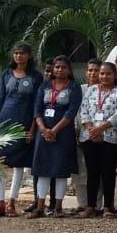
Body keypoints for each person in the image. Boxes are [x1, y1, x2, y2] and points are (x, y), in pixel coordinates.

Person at [0, 43, 43, 218]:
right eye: (16, 53)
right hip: (5, 120)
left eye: (22, 53)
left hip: (24, 121)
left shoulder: (36, 77)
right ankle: (0, 202)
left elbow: (37, 104)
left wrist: (32, 129)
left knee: (19, 163)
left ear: (29, 56)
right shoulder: (5, 74)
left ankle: (12, 202)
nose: (19, 56)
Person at [30, 55, 81, 218]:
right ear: (52, 69)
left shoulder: (74, 86)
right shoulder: (44, 85)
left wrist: (55, 130)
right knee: (42, 169)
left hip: (63, 132)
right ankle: (39, 207)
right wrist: (44, 129)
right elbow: (37, 109)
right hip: (43, 132)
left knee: (60, 169)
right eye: (57, 67)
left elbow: (72, 112)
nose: (60, 70)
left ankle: (58, 207)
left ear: (69, 70)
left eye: (63, 67)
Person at [74, 62, 117, 217]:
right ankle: (90, 206)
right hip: (89, 137)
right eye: (102, 74)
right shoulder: (91, 90)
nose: (104, 76)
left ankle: (108, 207)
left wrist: (100, 129)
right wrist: (92, 129)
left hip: (110, 138)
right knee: (92, 172)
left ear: (115, 75)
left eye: (108, 74)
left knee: (108, 173)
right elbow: (83, 111)